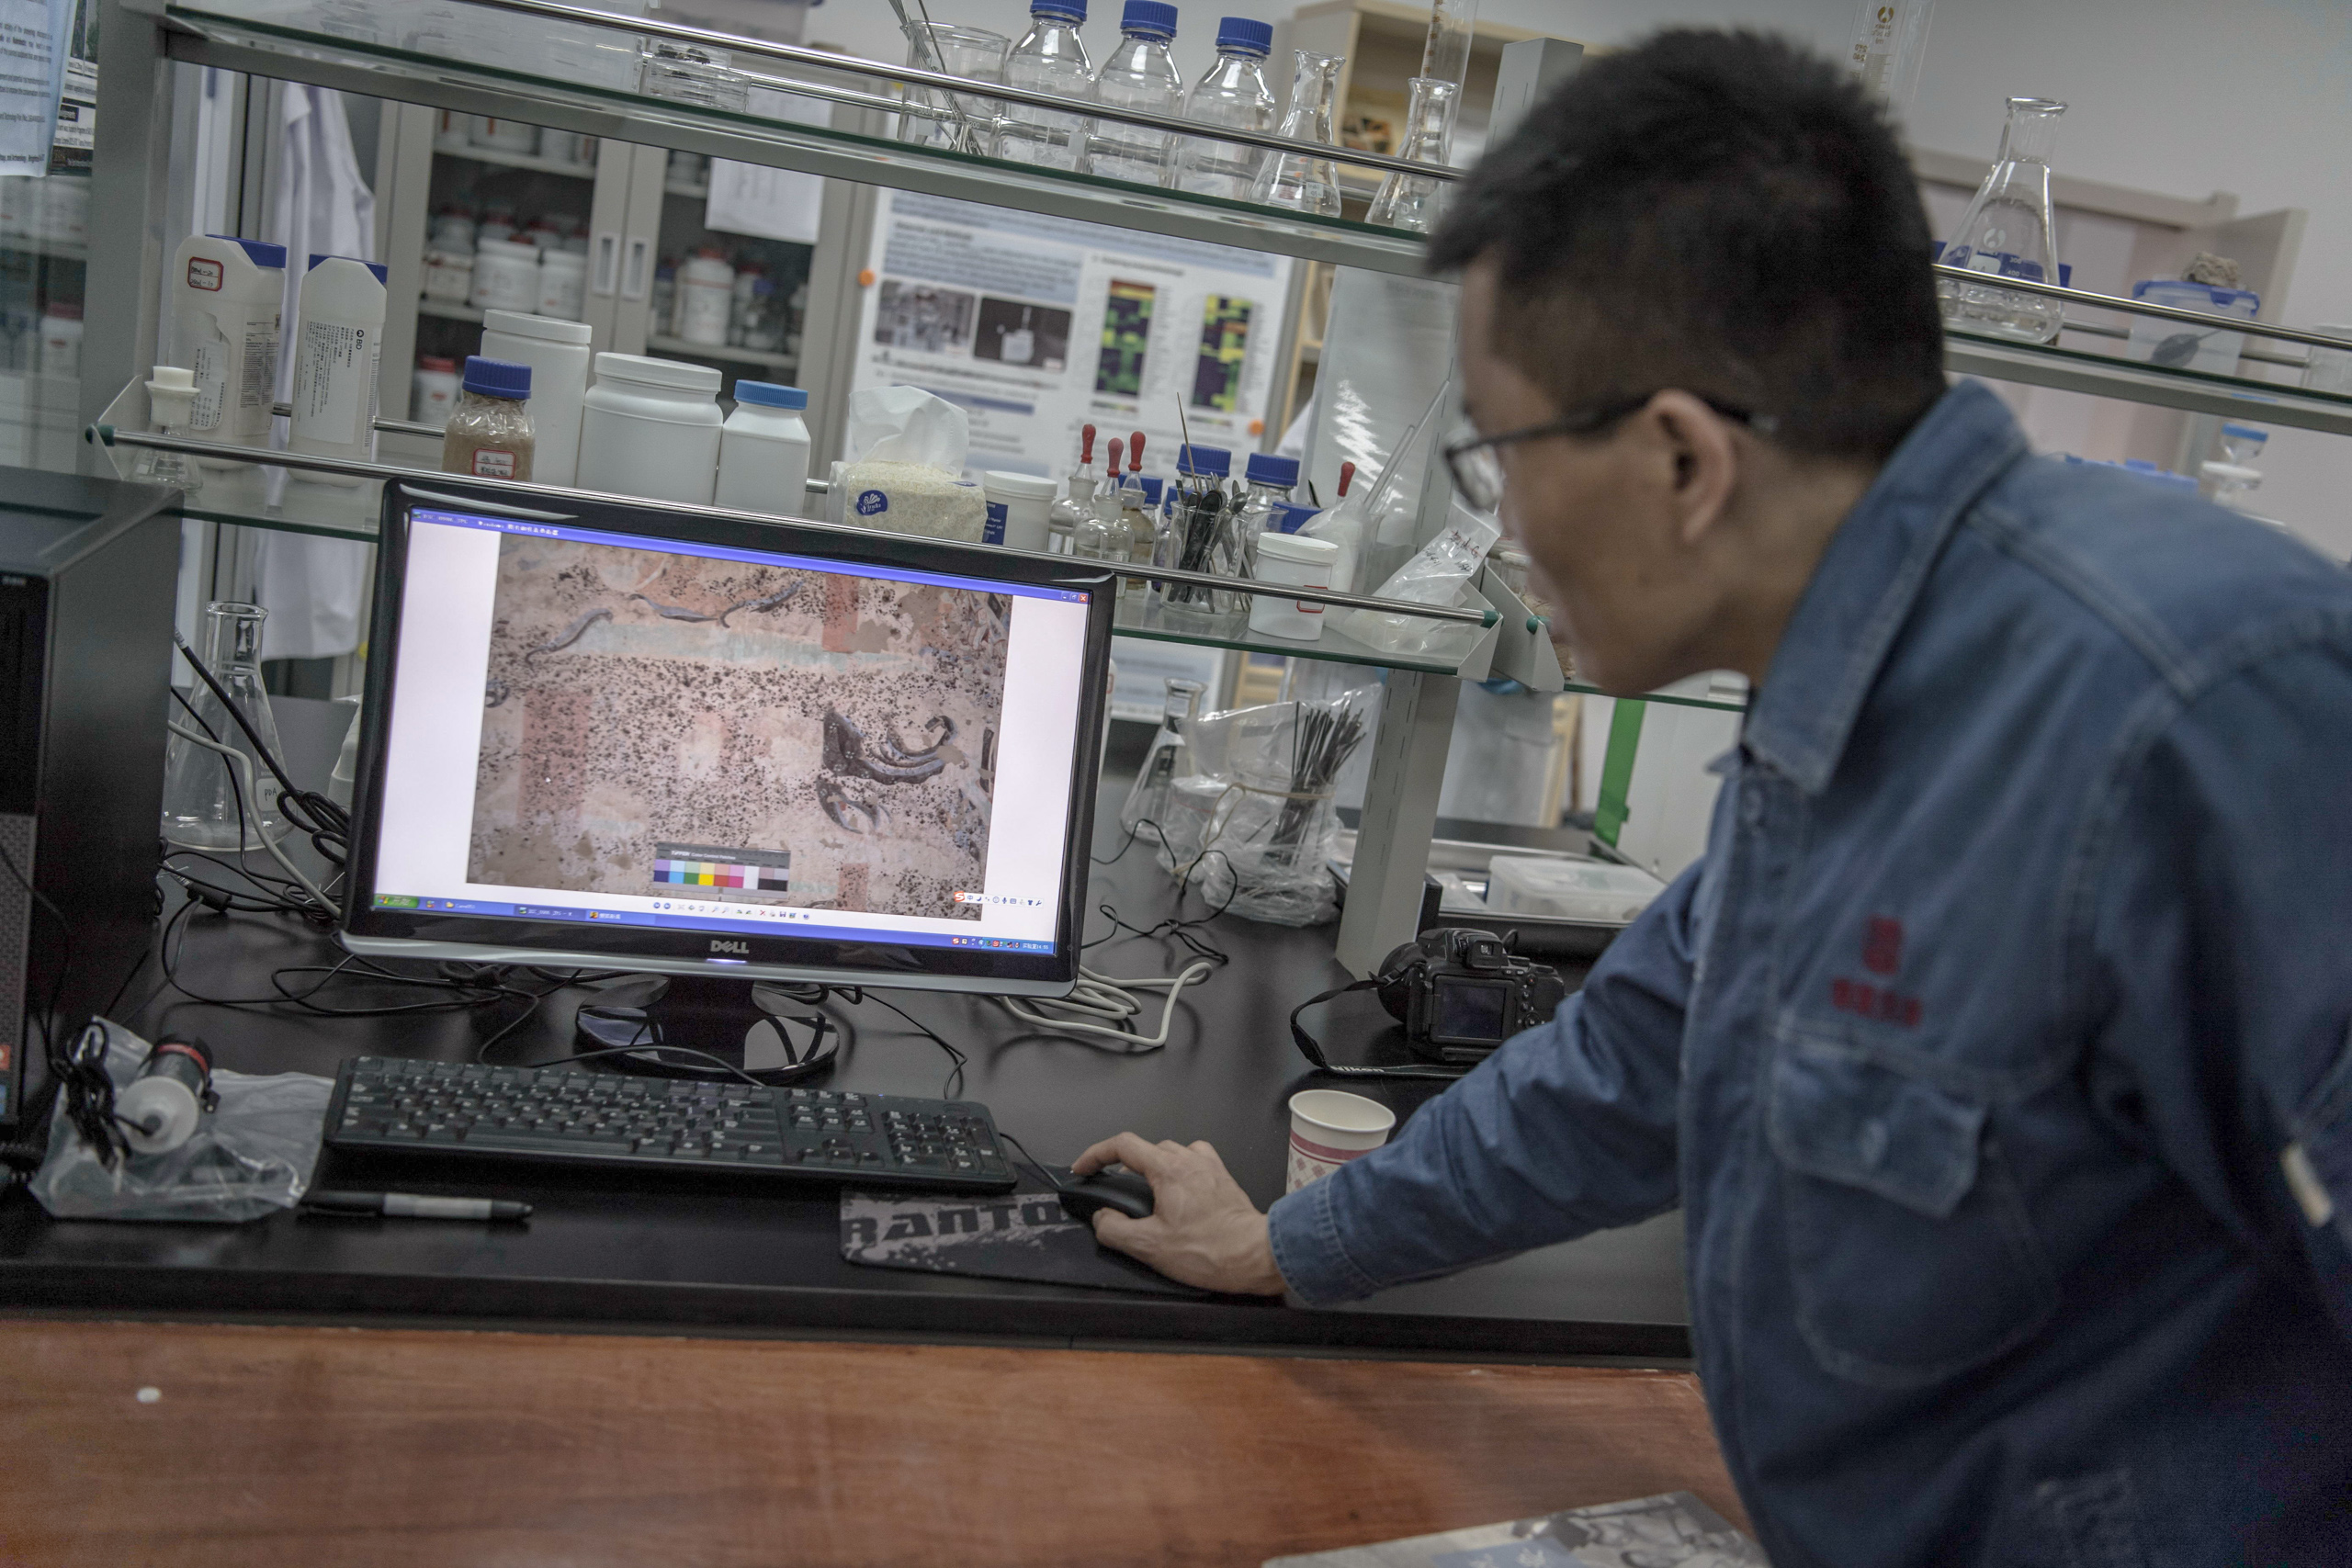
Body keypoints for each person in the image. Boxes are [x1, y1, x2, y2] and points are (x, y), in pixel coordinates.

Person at [1071, 28, 2352, 1566]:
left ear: (1681, 458)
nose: (1500, 520)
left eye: (1500, 455)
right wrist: (1291, 1241)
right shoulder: (1847, 695)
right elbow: (1628, 1068)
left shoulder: (2200, 711)